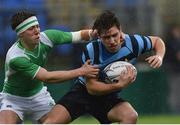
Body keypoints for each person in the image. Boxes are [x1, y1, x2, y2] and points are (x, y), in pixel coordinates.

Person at [42, 10, 166, 124]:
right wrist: (118, 85)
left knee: (130, 116)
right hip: (82, 93)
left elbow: (157, 41)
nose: (112, 41)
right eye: (106, 37)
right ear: (99, 36)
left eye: (114, 35)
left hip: (107, 97)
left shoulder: (133, 43)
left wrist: (159, 56)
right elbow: (91, 88)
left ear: (120, 30)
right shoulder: (92, 50)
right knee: (49, 123)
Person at [0, 11, 99, 124]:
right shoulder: (16, 57)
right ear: (21, 34)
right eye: (31, 28)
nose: (37, 31)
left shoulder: (47, 37)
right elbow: (47, 77)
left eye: (37, 26)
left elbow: (79, 35)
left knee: (54, 122)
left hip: (38, 95)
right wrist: (81, 71)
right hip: (13, 98)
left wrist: (95, 33)